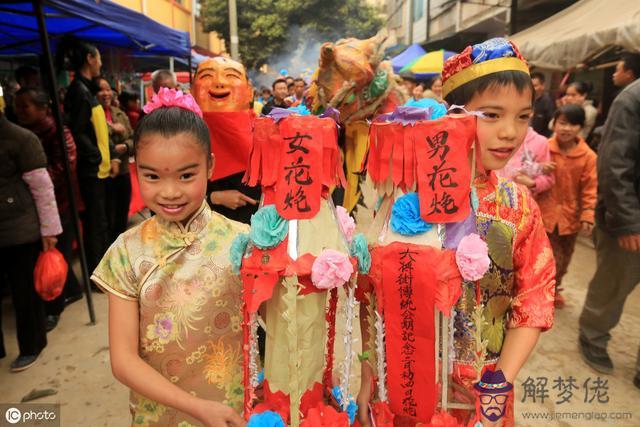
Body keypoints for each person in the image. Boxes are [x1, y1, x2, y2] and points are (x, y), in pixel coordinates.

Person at [358, 38, 556, 427]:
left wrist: (499, 385)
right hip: (404, 385)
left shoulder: (517, 207)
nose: (509, 133)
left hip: (482, 395)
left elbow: (535, 297)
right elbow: (376, 298)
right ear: (453, 115)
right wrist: (369, 376)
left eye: (522, 117)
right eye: (492, 115)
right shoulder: (407, 200)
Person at [91, 88, 247, 426]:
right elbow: (123, 360)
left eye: (186, 175)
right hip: (158, 416)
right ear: (136, 170)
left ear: (211, 167)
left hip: (237, 409)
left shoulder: (244, 242)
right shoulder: (125, 252)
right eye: (152, 176)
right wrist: (198, 408)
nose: (170, 191)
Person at [578, 60, 640, 390]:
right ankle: (593, 336)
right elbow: (615, 164)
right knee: (613, 285)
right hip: (629, 220)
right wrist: (628, 222)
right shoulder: (633, 99)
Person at [13, 87, 84, 330]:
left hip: (60, 204)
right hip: (34, 209)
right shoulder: (21, 134)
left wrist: (27, 185)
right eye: (17, 106)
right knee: (57, 255)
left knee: (55, 255)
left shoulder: (59, 133)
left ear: (44, 108)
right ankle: (72, 291)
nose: (19, 111)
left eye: (25, 106)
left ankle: (55, 306)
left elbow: (64, 168)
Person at [0, 95, 62, 372]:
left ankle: (32, 345)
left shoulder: (21, 139)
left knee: (25, 291)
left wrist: (49, 230)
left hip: (20, 230)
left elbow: (42, 188)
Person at [57, 37, 119, 274]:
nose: (101, 63)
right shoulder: (79, 90)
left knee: (101, 221)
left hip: (99, 168)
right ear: (90, 59)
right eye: (99, 58)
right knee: (96, 224)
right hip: (91, 170)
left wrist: (109, 155)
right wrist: (95, 157)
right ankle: (98, 274)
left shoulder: (85, 88)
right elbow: (78, 131)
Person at [536, 105, 597, 309]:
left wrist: (587, 214)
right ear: (554, 124)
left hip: (569, 218)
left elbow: (590, 188)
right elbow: (526, 169)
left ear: (580, 127)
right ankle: (541, 289)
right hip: (543, 212)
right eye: (562, 123)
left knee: (564, 259)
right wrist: (539, 168)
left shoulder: (588, 157)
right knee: (545, 256)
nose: (566, 128)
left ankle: (554, 286)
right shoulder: (544, 147)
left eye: (572, 124)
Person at [95, 76, 133, 244]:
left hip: (123, 171)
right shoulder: (93, 115)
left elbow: (134, 138)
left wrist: (125, 146)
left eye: (108, 89)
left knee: (121, 213)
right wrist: (111, 128)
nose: (106, 93)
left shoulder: (120, 114)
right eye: (101, 90)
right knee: (106, 217)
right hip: (105, 174)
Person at [497, 127, 554, 196]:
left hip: (524, 200)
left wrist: (533, 183)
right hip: (492, 197)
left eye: (523, 117)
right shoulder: (494, 136)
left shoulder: (540, 141)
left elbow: (549, 179)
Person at [530, 72, 555, 137]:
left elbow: (551, 124)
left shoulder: (547, 102)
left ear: (542, 86)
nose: (531, 88)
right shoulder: (524, 99)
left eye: (535, 86)